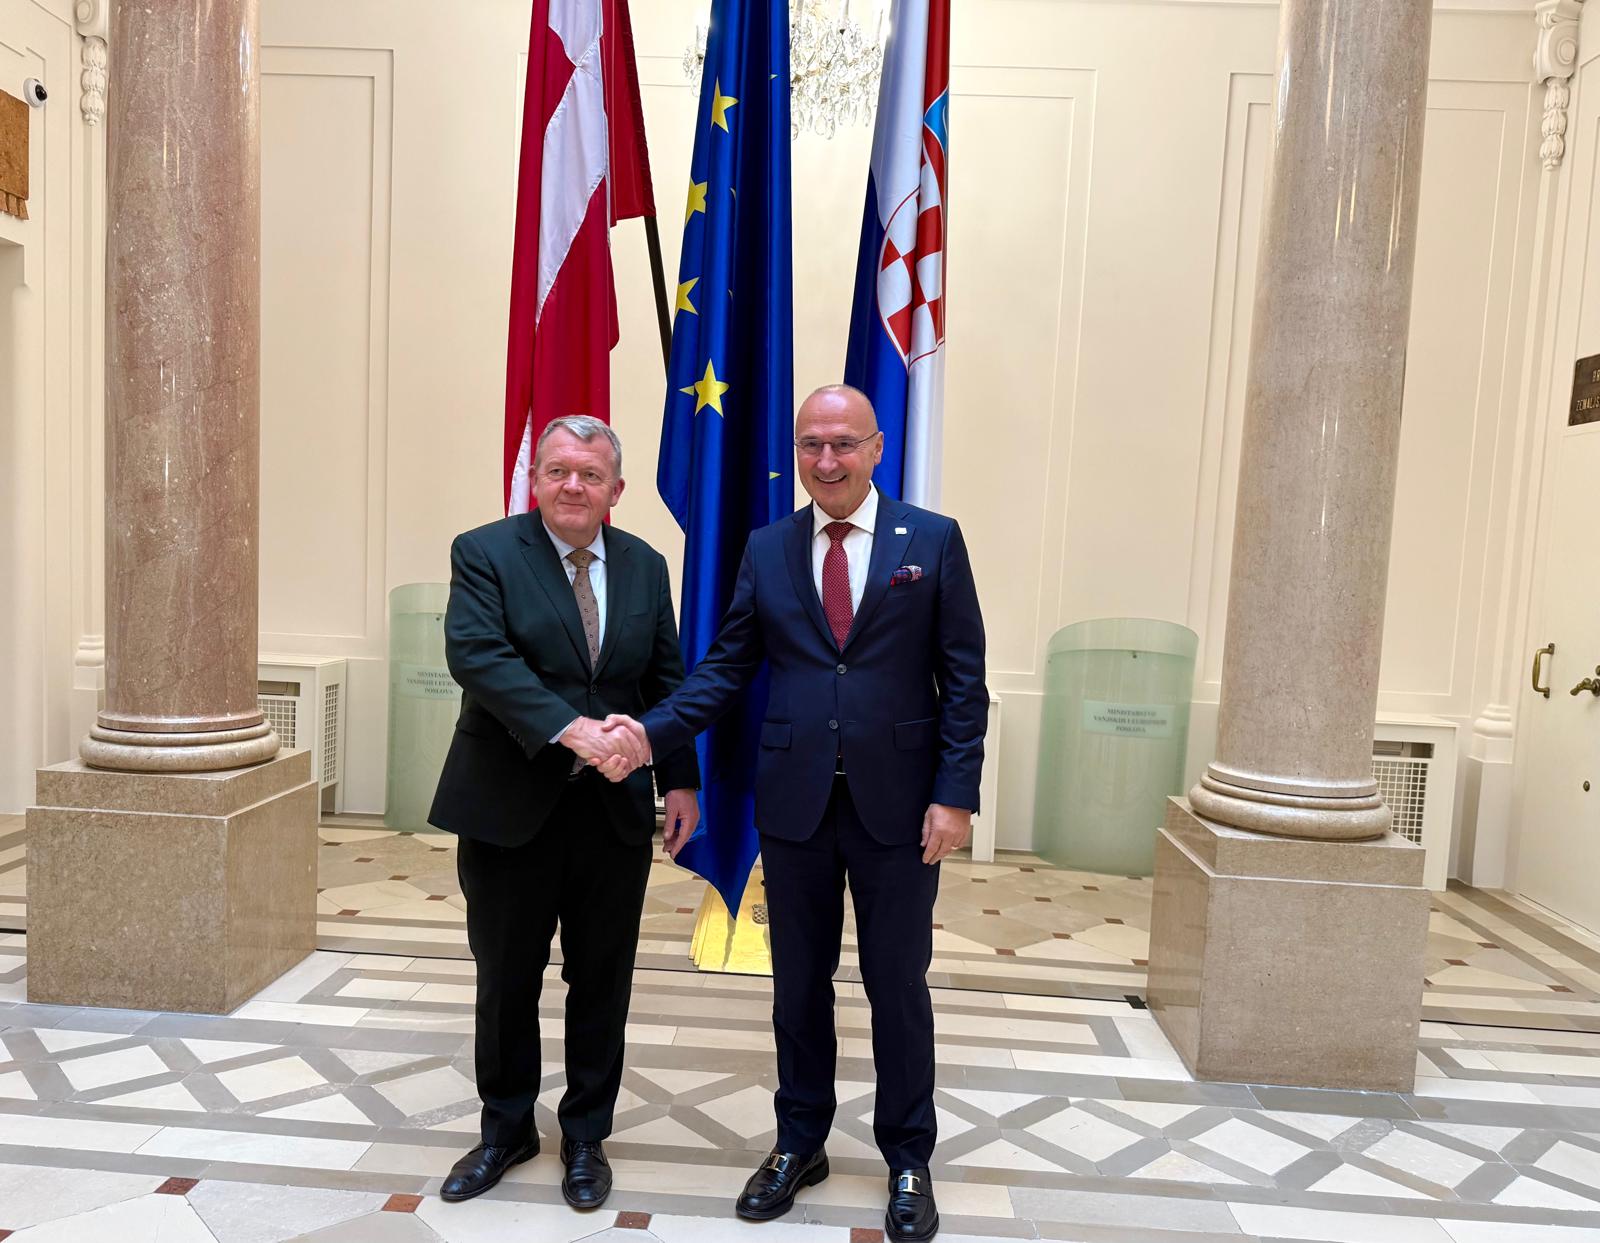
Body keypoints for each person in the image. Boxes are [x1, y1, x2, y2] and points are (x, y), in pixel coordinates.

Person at [604, 385, 987, 1242]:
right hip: (795, 802)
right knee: (797, 986)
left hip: (901, 809)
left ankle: (908, 1155)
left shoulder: (931, 539)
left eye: (844, 443)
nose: (827, 459)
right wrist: (649, 733)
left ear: (877, 448)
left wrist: (956, 793)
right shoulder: (770, 546)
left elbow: (964, 679)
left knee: (897, 985)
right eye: (811, 443)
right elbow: (725, 666)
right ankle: (799, 1141)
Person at [427, 415, 700, 1211]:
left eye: (590, 474)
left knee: (602, 979)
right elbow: (479, 656)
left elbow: (665, 678)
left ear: (616, 488)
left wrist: (680, 780)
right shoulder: (485, 552)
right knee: (507, 977)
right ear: (535, 479)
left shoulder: (646, 564)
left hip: (612, 812)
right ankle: (506, 1128)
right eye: (557, 471)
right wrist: (573, 728)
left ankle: (585, 1134)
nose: (572, 485)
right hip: (509, 805)